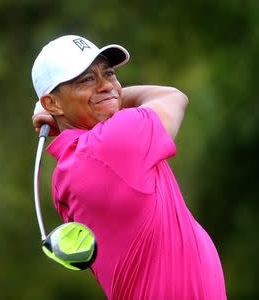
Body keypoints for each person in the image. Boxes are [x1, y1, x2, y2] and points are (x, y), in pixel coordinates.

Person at [31, 34, 227, 299]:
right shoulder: (111, 143)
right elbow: (173, 97)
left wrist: (83, 105)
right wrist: (114, 98)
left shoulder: (73, 163)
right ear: (51, 102)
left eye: (109, 74)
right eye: (87, 79)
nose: (106, 85)